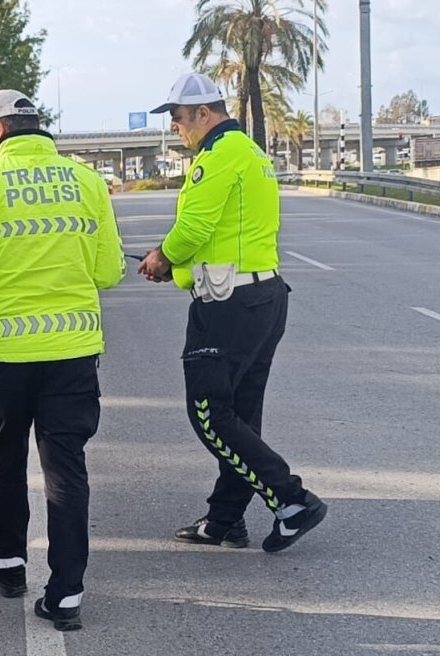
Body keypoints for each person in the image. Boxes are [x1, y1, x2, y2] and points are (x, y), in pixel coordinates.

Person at [0, 89, 124, 631]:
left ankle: (9, 565)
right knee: (66, 469)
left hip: (6, 354)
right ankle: (66, 594)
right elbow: (109, 271)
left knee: (6, 458)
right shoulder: (88, 182)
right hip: (72, 353)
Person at [139, 72, 327, 553]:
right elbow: (225, 236)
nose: (176, 129)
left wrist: (162, 256)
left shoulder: (218, 158)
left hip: (228, 305)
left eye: (179, 119)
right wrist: (175, 271)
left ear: (205, 114)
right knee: (240, 414)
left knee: (208, 412)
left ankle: (291, 499)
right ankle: (225, 520)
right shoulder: (251, 153)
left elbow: (194, 227)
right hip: (262, 297)